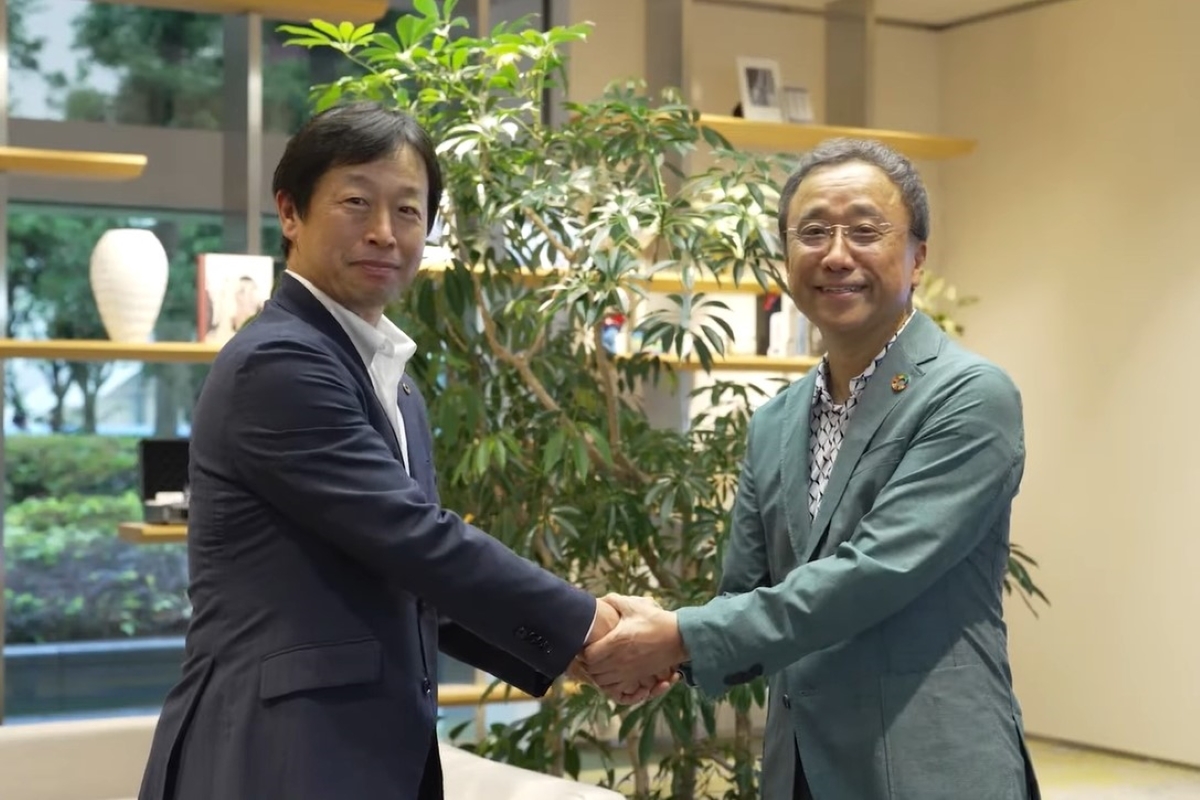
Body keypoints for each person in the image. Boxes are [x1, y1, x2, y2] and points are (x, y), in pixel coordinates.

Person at [137, 101, 651, 800]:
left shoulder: (389, 379)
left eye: (408, 211)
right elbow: (418, 541)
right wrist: (586, 625)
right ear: (290, 212)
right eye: (357, 202)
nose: (384, 232)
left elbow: (404, 576)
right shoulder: (280, 362)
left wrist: (568, 652)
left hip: (358, 755)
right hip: (275, 757)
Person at [583, 138, 1043, 800]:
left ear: (918, 258)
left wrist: (677, 635)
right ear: (786, 257)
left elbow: (871, 575)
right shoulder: (776, 421)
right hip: (799, 769)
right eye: (814, 232)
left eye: (865, 231)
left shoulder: (970, 396)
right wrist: (655, 650)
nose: (836, 254)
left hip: (930, 766)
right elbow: (745, 594)